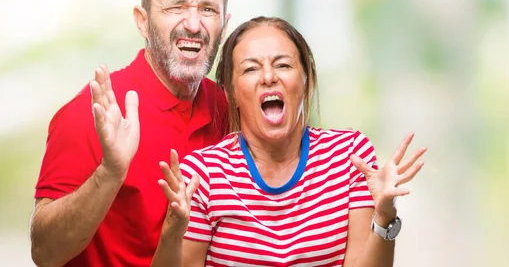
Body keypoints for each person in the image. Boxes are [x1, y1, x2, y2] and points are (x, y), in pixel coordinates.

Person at [149, 16, 427, 266]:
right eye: (250, 69)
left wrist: (384, 216)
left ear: (306, 80)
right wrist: (172, 231)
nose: (269, 77)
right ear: (232, 92)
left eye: (283, 65)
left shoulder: (349, 156)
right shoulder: (204, 174)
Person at [29, 0, 231, 266]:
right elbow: (44, 254)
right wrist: (109, 174)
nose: (193, 24)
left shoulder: (231, 110)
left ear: (224, 23)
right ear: (143, 21)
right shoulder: (93, 111)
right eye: (176, 7)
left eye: (208, 9)